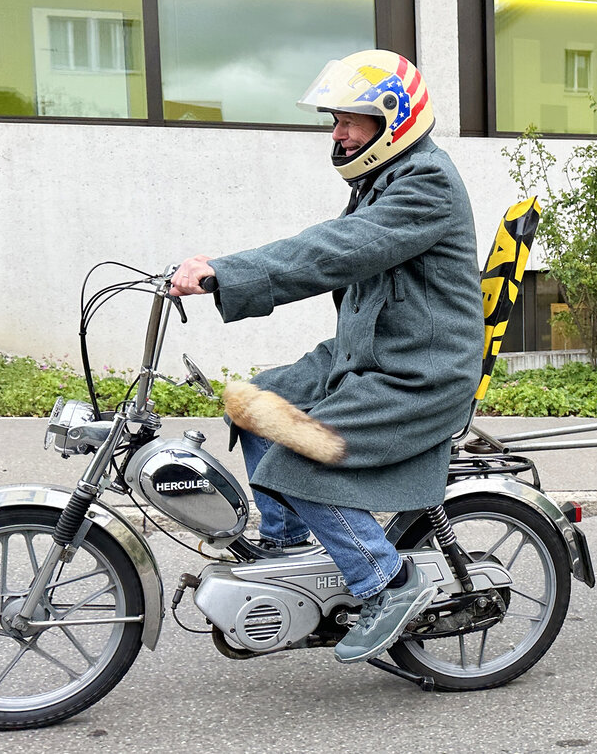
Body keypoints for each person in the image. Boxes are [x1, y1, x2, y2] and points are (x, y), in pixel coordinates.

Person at [169, 50, 481, 664]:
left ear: (394, 119)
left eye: (348, 121)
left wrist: (224, 275)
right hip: (368, 349)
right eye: (334, 120)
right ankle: (288, 545)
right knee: (253, 400)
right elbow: (337, 250)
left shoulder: (427, 182)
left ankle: (386, 581)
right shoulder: (382, 179)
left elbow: (335, 250)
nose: (336, 134)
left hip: (420, 369)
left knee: (298, 457)